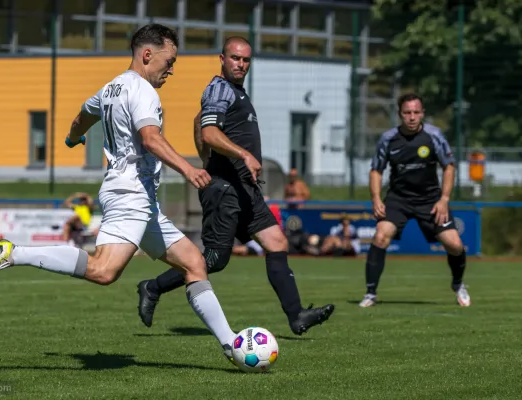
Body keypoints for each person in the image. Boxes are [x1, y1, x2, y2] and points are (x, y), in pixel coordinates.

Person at [0, 24, 238, 363]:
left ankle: (231, 344)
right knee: (103, 271)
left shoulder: (110, 88)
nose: (171, 69)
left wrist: (74, 139)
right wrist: (188, 169)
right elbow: (150, 138)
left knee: (193, 263)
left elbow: (80, 118)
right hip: (130, 193)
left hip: (141, 198)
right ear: (148, 55)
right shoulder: (144, 91)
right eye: (169, 61)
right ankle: (15, 252)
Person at [136, 36, 334, 335]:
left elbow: (199, 122)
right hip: (225, 189)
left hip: (244, 188)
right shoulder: (220, 88)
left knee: (277, 243)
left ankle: (296, 317)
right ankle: (152, 287)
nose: (240, 64)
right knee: (214, 260)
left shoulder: (237, 93)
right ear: (222, 59)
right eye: (235, 58)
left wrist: (215, 159)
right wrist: (240, 156)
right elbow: (209, 130)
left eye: (245, 60)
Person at [359, 92, 470, 308]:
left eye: (416, 112)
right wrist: (375, 198)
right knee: (381, 236)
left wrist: (444, 199)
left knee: (455, 245)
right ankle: (370, 293)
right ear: (400, 114)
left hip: (430, 200)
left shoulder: (434, 136)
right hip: (398, 199)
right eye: (407, 112)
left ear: (422, 114)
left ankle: (458, 284)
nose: (411, 117)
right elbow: (376, 170)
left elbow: (449, 166)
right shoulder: (388, 139)